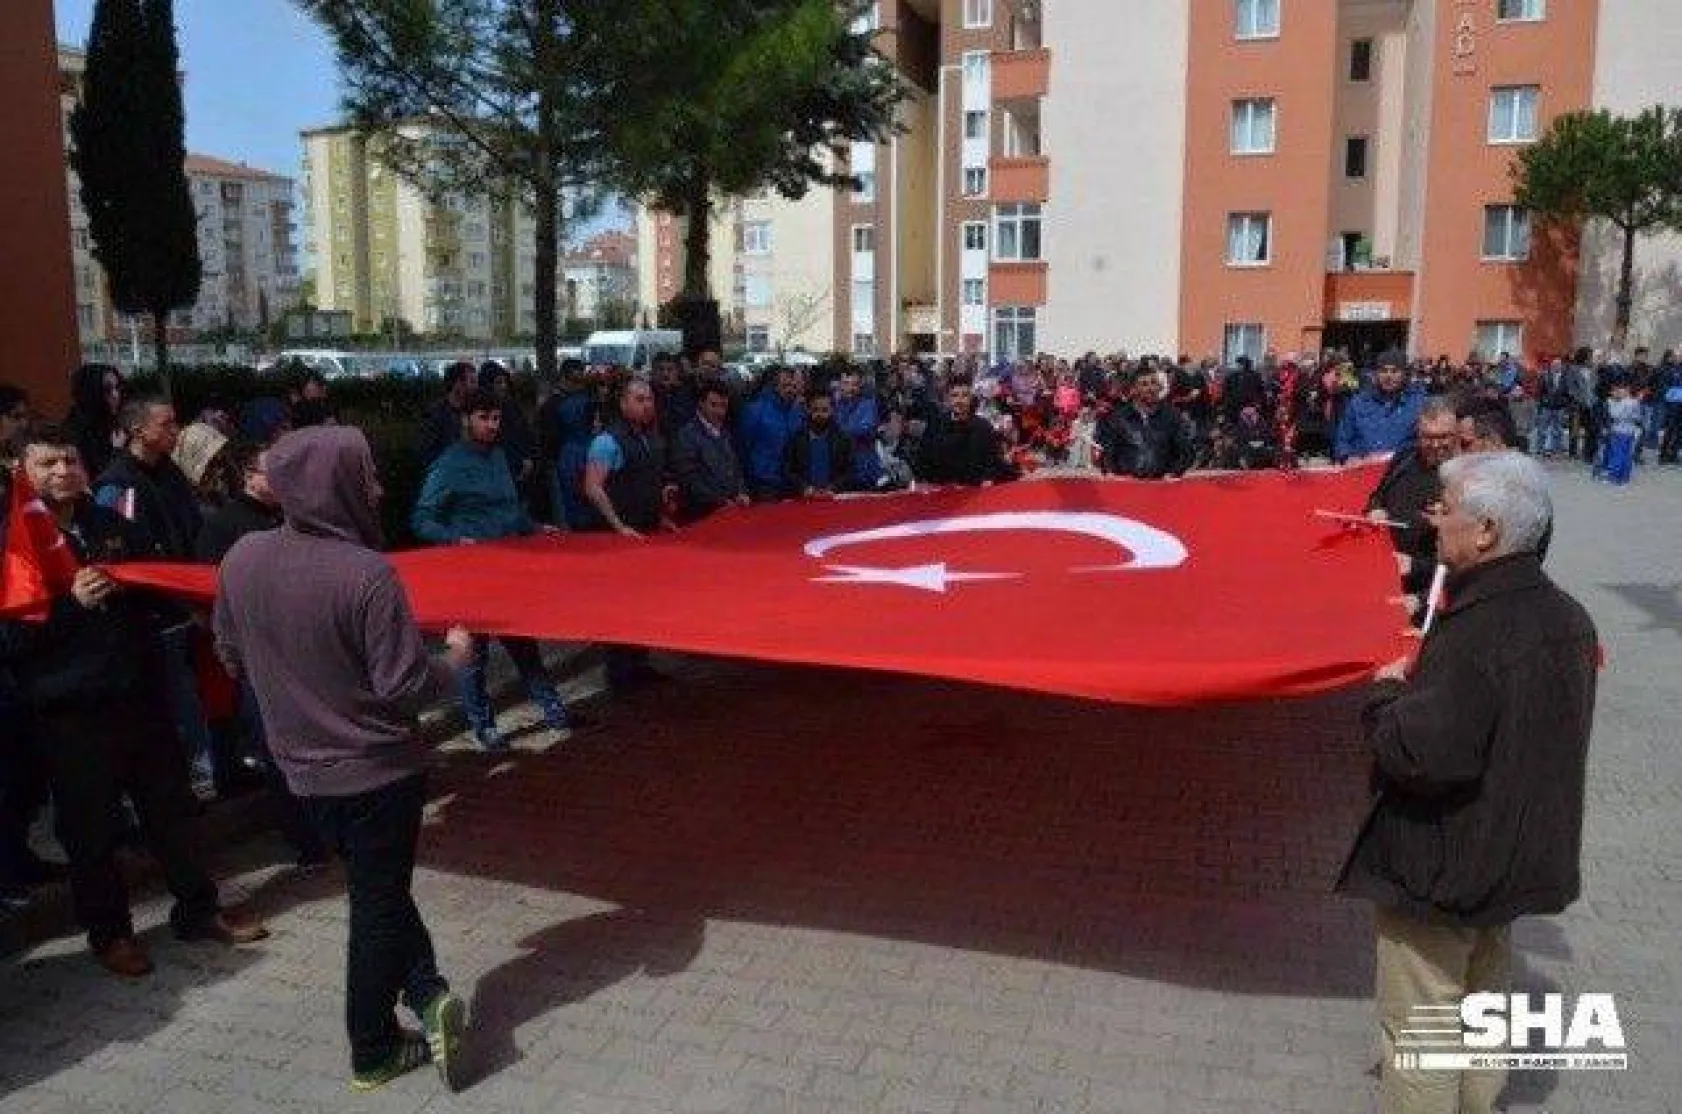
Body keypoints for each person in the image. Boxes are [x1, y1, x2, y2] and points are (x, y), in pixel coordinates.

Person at [213, 425, 474, 1093]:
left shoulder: (242, 556)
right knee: (377, 904)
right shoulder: (366, 574)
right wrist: (455, 660)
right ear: (333, 485)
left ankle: (429, 993)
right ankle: (373, 1048)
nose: (379, 489)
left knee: (378, 888)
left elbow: (229, 653)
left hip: (301, 773)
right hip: (378, 772)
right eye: (367, 475)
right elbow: (404, 685)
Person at [1337, 451, 1597, 1114]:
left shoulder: (1480, 627)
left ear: (1486, 531)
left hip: (1444, 865)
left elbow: (1423, 755)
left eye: (1446, 508)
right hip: (1511, 856)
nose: (1433, 518)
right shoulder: (1567, 616)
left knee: (1423, 1034)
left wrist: (1384, 698)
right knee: (1483, 1014)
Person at [0, 423, 268, 978]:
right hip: (70, 715)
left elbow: (157, 587)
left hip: (140, 700)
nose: (62, 471)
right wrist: (70, 605)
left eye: (70, 459)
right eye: (48, 463)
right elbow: (11, 640)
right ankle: (111, 934)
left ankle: (199, 911)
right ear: (22, 472)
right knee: (91, 833)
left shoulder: (110, 525)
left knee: (173, 814)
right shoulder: (12, 544)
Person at [412, 388, 577, 749]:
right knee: (475, 655)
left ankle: (553, 710)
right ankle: (484, 727)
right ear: (465, 420)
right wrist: (455, 539)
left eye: (496, 418)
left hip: (505, 573)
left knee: (524, 643)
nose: (491, 425)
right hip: (468, 576)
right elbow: (422, 518)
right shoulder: (449, 465)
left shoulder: (499, 456)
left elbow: (509, 511)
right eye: (483, 418)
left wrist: (535, 527)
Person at [194, 442, 329, 868]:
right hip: (260, 658)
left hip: (305, 649)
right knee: (278, 749)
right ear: (249, 476)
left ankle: (328, 826)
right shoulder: (224, 527)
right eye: (273, 472)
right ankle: (306, 840)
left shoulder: (293, 518)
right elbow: (211, 595)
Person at [95, 396, 216, 793]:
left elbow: (190, 531)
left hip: (191, 599)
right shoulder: (118, 486)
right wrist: (181, 602)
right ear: (138, 430)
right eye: (166, 424)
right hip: (158, 613)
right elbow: (128, 552)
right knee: (175, 698)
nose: (175, 431)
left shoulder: (169, 473)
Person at [583, 380, 674, 689]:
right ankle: (619, 670)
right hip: (619, 539)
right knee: (620, 604)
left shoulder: (651, 438)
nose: (647, 404)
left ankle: (639, 662)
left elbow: (649, 483)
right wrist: (618, 525)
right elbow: (593, 487)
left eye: (649, 399)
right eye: (639, 399)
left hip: (646, 532)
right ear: (623, 403)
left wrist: (660, 517)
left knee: (644, 602)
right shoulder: (607, 442)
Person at [1366, 400, 1460, 617]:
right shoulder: (1404, 459)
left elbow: (1471, 559)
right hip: (1387, 573)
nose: (1435, 445)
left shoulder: (1465, 477)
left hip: (1431, 593)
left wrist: (1416, 567)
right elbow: (1377, 496)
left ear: (1456, 434)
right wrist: (1375, 509)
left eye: (1443, 437)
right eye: (1428, 437)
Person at [670, 379, 748, 521]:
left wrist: (741, 492)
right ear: (701, 403)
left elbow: (735, 467)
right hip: (702, 515)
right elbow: (690, 479)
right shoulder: (687, 435)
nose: (719, 411)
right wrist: (720, 501)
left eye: (723, 406)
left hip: (730, 510)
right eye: (713, 405)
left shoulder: (724, 431)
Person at [1096, 371, 1195, 479]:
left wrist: (1174, 473)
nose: (1150, 388)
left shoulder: (1172, 416)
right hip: (1127, 484)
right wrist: (1112, 473)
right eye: (1144, 384)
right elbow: (1106, 452)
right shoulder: (1117, 418)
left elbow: (1186, 452)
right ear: (1133, 390)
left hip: (1162, 484)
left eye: (1154, 383)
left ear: (1159, 387)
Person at [1334, 350, 1425, 463]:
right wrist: (1347, 456)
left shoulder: (1418, 404)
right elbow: (1342, 439)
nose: (1388, 376)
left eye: (1394, 371)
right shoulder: (1358, 403)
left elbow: (1425, 441)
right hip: (1363, 468)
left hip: (1401, 470)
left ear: (1404, 374)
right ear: (1376, 373)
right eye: (1383, 371)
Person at [919, 378, 1008, 486]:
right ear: (948, 399)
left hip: (976, 488)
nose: (959, 401)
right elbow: (925, 460)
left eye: (964, 396)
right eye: (954, 396)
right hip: (944, 488)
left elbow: (993, 460)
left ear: (971, 398)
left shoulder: (983, 427)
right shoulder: (935, 426)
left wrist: (988, 478)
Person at [737, 367, 804, 501]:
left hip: (791, 481)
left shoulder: (798, 411)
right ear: (775, 386)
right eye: (785, 385)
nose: (790, 390)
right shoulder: (755, 410)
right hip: (763, 481)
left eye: (793, 386)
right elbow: (743, 447)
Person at [786, 389, 855, 497]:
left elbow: (850, 471)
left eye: (824, 410)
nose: (820, 414)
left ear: (832, 410)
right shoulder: (796, 439)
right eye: (815, 410)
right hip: (804, 499)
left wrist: (834, 488)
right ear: (808, 410)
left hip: (834, 498)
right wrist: (803, 487)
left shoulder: (844, 439)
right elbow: (788, 470)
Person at [62, 363, 125, 480]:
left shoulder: (114, 423)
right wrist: (117, 450)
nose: (116, 395)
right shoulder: (76, 431)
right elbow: (96, 477)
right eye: (107, 390)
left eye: (117, 388)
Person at [833, 369, 882, 490]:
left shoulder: (868, 404)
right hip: (842, 468)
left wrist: (839, 431)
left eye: (854, 384)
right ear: (839, 385)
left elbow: (864, 430)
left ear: (860, 387)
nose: (850, 388)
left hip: (864, 467)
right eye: (846, 383)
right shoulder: (836, 405)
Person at [420, 361, 476, 465]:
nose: (476, 386)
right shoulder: (436, 414)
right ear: (458, 383)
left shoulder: (472, 410)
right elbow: (427, 453)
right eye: (472, 381)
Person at [1601, 381, 1642, 485]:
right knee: (1627, 454)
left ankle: (1614, 476)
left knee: (1617, 454)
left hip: (1619, 431)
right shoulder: (1635, 402)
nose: (1618, 392)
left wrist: (1612, 403)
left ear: (1626, 391)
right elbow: (1638, 417)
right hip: (1630, 431)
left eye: (1620, 390)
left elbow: (1615, 415)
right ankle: (1624, 477)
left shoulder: (1623, 402)